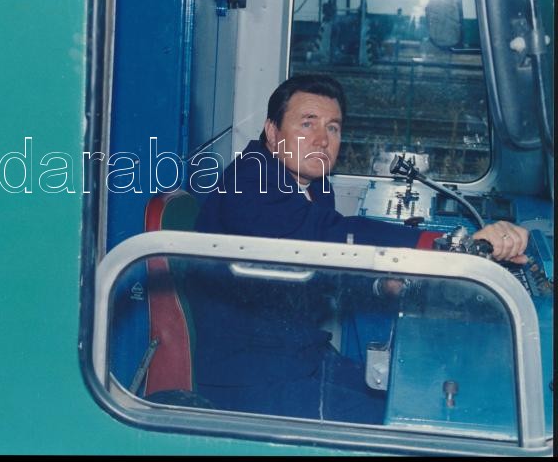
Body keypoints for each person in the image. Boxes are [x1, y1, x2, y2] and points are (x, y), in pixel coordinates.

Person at [187, 73, 529, 423]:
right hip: (251, 377)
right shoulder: (250, 179)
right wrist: (450, 246)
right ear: (272, 133)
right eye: (307, 124)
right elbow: (329, 235)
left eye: (333, 128)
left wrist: (382, 284)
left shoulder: (314, 184)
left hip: (302, 355)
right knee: (410, 424)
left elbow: (328, 266)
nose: (322, 139)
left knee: (415, 399)